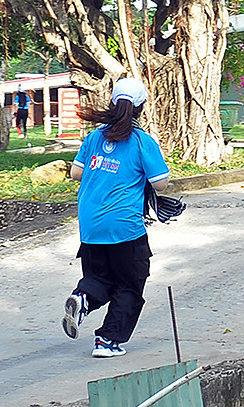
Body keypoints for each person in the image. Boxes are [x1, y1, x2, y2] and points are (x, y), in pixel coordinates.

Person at [61, 76, 171, 358]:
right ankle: (107, 341)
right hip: (125, 226)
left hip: (90, 225)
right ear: (141, 108)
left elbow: (76, 173)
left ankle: (83, 297)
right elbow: (160, 182)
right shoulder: (141, 141)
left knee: (100, 277)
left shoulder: (94, 137)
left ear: (112, 104)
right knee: (130, 284)